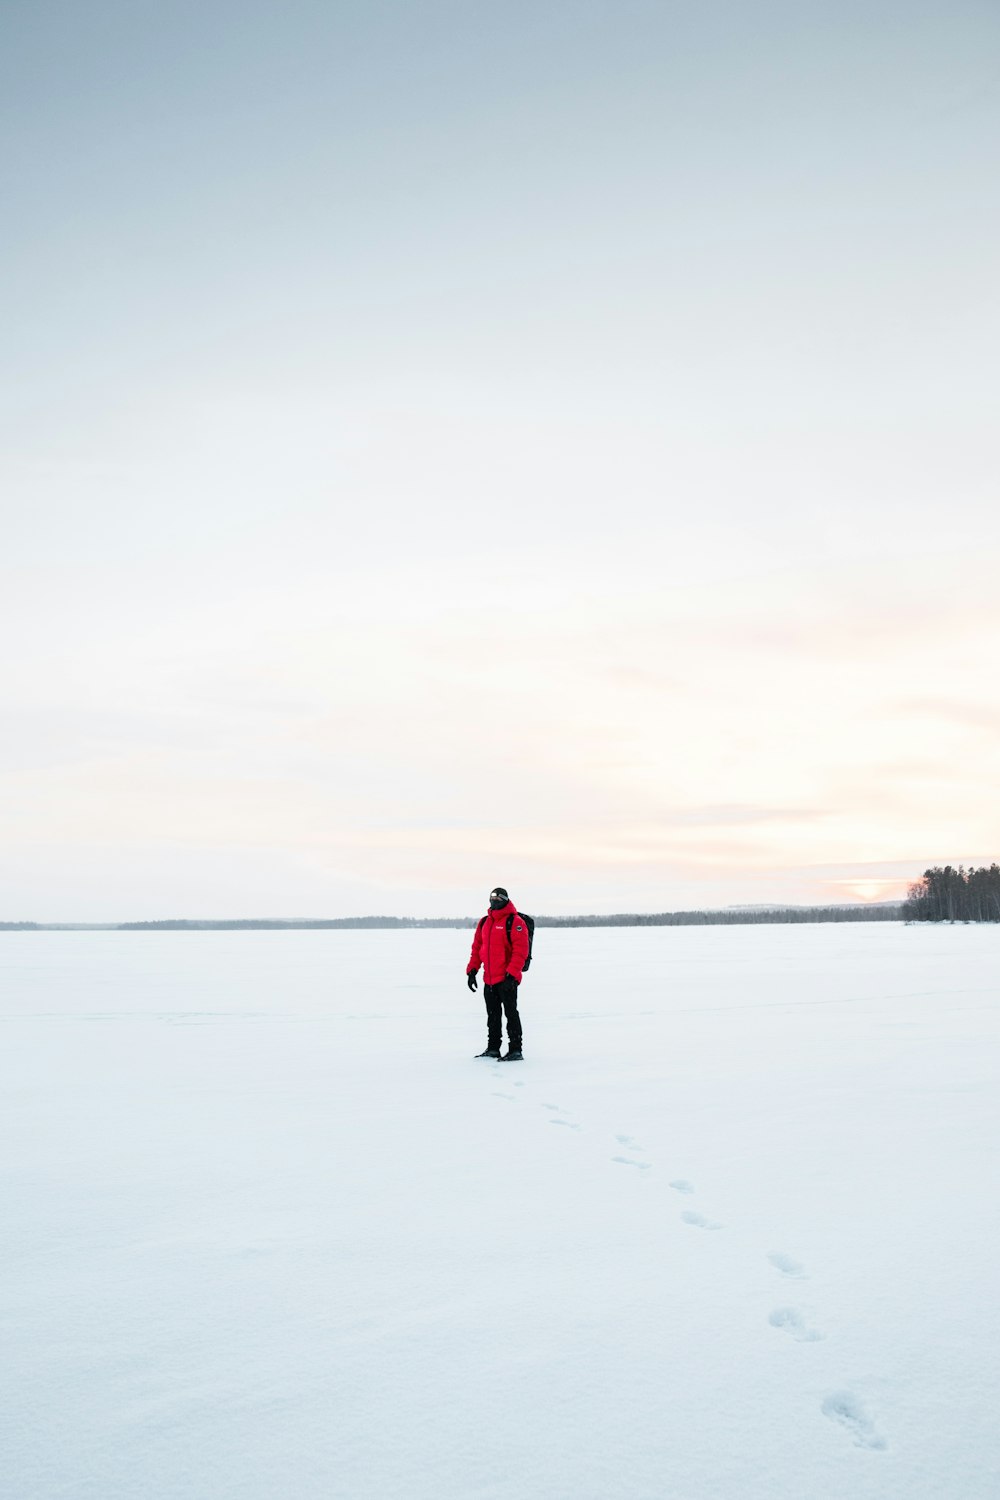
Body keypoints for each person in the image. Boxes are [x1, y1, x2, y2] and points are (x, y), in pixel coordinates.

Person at [466, 887, 529, 1061]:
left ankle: (516, 1050)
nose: (494, 901)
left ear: (504, 900)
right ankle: (493, 1048)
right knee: (492, 1016)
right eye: (491, 898)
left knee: (511, 1014)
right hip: (489, 979)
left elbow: (521, 951)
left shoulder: (515, 922)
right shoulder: (485, 922)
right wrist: (472, 970)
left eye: (497, 898)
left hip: (507, 979)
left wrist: (512, 974)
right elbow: (477, 948)